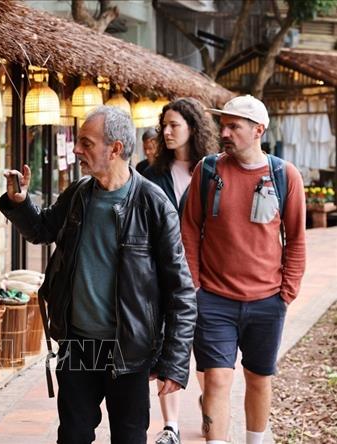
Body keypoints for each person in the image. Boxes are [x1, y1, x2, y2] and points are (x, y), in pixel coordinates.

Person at [0, 106, 197, 444]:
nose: (77, 150)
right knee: (73, 434)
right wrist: (20, 203)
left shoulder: (153, 203)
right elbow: (43, 229)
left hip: (130, 349)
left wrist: (174, 363)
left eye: (86, 144)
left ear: (115, 149)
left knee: (129, 436)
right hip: (78, 343)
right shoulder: (78, 194)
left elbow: (181, 291)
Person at [182, 95, 306, 444]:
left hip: (267, 300)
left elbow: (296, 237)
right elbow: (189, 228)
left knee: (258, 378)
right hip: (214, 299)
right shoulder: (207, 171)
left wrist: (287, 292)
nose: (225, 132)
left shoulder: (285, 175)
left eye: (234, 126)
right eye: (224, 124)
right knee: (218, 379)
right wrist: (194, 286)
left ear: (258, 131)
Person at [144, 97, 219, 444]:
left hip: (204, 276)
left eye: (175, 125)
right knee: (167, 349)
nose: (167, 132)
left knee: (207, 354)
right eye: (165, 126)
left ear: (193, 128)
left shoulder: (213, 172)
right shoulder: (148, 173)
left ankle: (210, 407)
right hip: (162, 277)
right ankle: (170, 426)